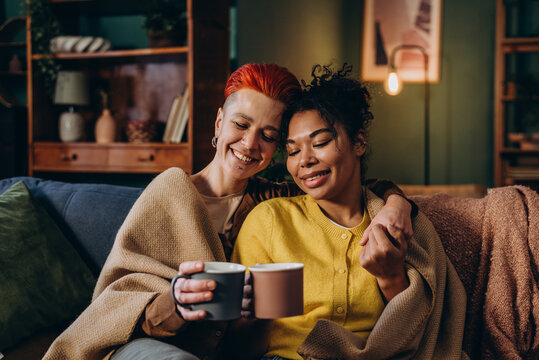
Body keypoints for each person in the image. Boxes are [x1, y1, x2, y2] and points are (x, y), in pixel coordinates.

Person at [43, 64, 415, 360]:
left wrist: (397, 204)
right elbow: (120, 296)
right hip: (152, 343)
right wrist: (177, 302)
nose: (250, 144)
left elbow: (354, 185)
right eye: (240, 124)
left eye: (269, 136)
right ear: (220, 122)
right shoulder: (172, 190)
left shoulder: (276, 199)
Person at [232, 64, 468, 360]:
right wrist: (251, 313)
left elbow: (420, 333)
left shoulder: (396, 225)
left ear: (358, 142)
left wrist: (391, 277)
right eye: (292, 151)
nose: (304, 160)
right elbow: (239, 346)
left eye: (320, 143)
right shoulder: (270, 220)